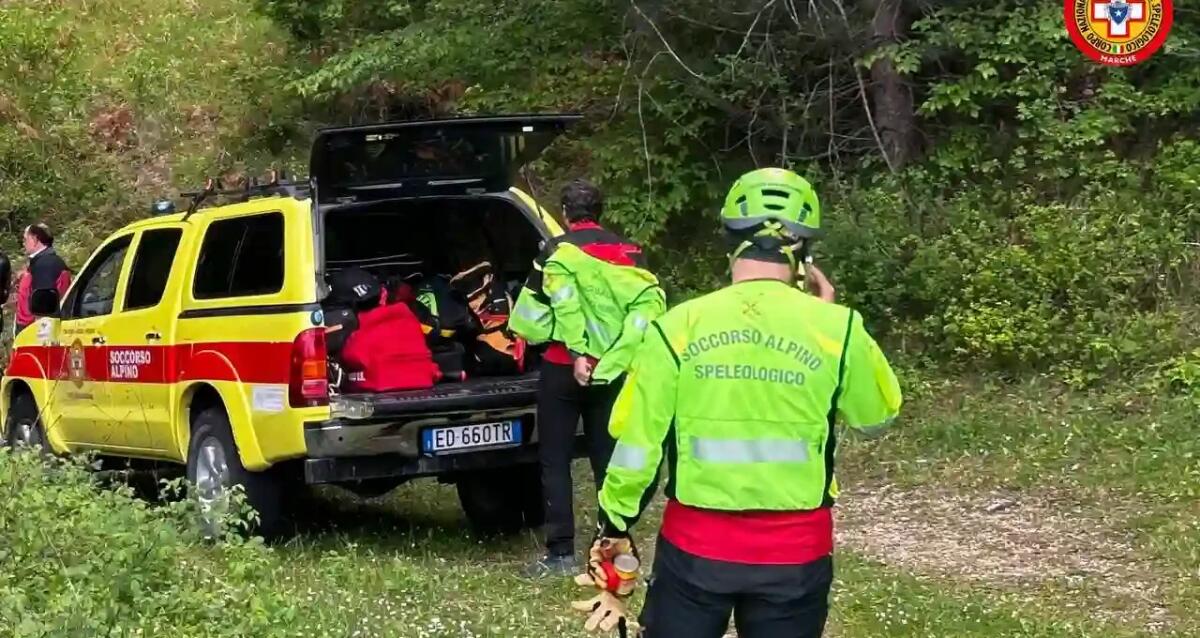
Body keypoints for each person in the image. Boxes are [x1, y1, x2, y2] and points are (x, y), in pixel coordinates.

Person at [586, 168, 902, 637]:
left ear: (730, 239)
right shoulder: (838, 328)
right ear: (804, 251)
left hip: (695, 550)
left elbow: (637, 446)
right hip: (796, 554)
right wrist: (832, 319)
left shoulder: (678, 326)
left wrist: (614, 525)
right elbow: (877, 417)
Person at [510, 179, 667, 577]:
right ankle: (610, 547)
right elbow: (644, 313)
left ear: (565, 213)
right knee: (607, 460)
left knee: (555, 461)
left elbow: (550, 308)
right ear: (601, 211)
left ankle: (561, 554)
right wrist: (612, 360)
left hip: (564, 367)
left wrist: (578, 352)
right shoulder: (631, 253)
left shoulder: (556, 252)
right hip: (612, 371)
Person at [14, 223, 71, 335]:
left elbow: (43, 307)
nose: (23, 243)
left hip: (33, 332)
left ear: (35, 239)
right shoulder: (49, 261)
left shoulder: (44, 265)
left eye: (25, 239)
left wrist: (40, 337)